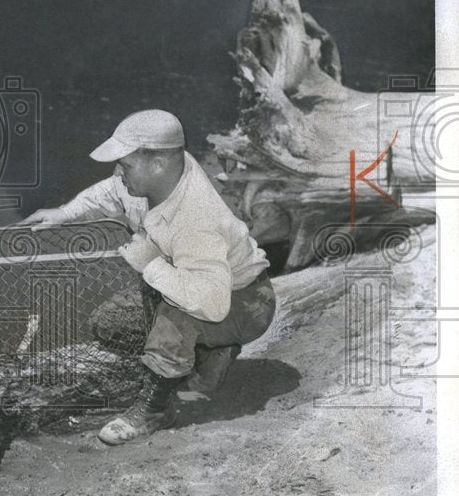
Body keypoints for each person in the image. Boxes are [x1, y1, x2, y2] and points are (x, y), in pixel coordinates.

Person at [18, 109, 275, 445]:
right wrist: (64, 213)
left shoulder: (196, 219)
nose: (118, 174)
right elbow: (109, 193)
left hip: (244, 303)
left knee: (176, 306)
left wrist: (150, 263)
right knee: (109, 323)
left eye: (125, 166)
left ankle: (154, 409)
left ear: (156, 164)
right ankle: (212, 353)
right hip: (213, 293)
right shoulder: (158, 179)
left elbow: (209, 303)